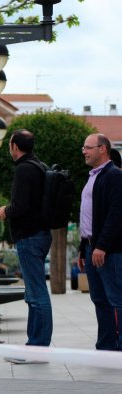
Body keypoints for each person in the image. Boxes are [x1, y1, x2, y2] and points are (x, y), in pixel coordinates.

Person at [0, 129, 53, 350]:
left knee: (37, 292)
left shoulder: (23, 169)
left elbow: (20, 206)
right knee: (34, 292)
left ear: (14, 147)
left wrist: (4, 211)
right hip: (41, 234)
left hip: (29, 236)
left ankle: (38, 344)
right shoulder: (40, 166)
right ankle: (35, 343)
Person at [78, 134, 122, 351]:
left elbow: (116, 214)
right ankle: (106, 347)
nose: (84, 151)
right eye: (83, 148)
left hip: (109, 250)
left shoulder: (114, 176)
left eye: (88, 147)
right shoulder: (92, 177)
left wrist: (102, 246)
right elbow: (87, 217)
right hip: (90, 247)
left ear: (103, 149)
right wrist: (82, 249)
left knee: (116, 299)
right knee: (99, 300)